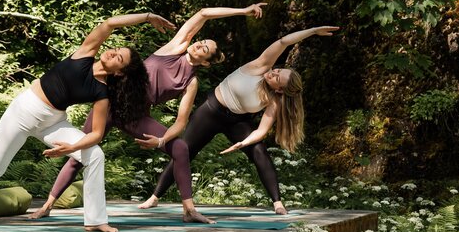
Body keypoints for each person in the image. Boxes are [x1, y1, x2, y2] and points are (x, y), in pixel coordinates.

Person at [29, 4, 267, 224]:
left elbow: (181, 122)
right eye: (201, 41)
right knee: (81, 154)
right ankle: (47, 205)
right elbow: (203, 14)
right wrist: (244, 11)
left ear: (206, 62)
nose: (199, 44)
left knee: (180, 148)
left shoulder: (191, 82)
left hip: (136, 115)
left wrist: (161, 141)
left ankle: (189, 210)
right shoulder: (173, 49)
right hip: (110, 103)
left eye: (205, 49)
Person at [0, 12, 173, 232]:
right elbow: (109, 23)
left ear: (120, 73)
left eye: (119, 58)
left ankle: (95, 220)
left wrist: (72, 147)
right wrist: (147, 17)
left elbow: (96, 134)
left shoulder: (101, 92)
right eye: (116, 49)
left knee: (95, 155)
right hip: (22, 112)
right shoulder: (85, 53)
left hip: (52, 122)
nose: (112, 53)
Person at [140, 25, 339, 214]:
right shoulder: (260, 66)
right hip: (211, 111)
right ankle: (155, 197)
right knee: (184, 150)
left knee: (259, 150)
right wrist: (313, 31)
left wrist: (243, 143)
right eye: (278, 70)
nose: (274, 73)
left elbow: (261, 131)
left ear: (280, 90)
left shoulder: (274, 101)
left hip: (237, 121)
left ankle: (278, 203)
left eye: (277, 78)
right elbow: (284, 42)